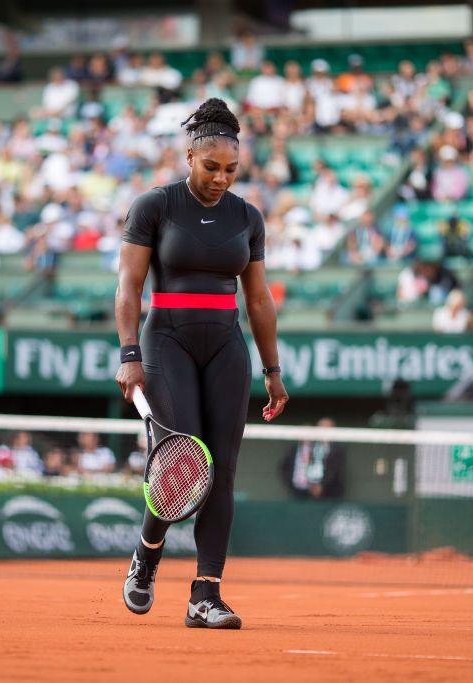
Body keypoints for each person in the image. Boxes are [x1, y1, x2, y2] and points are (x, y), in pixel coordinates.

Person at [115, 98, 288, 629]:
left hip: (226, 348)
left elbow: (257, 300)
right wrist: (129, 353)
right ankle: (147, 553)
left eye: (231, 170)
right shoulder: (154, 206)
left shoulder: (247, 217)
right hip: (166, 340)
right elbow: (129, 285)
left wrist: (273, 371)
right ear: (189, 155)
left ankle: (205, 594)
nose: (221, 178)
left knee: (223, 470)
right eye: (211, 167)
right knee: (181, 462)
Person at [280, 418, 345, 499]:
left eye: (327, 429)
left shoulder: (337, 449)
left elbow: (332, 470)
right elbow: (285, 467)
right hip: (301, 493)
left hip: (328, 495)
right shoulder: (299, 448)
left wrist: (320, 485)